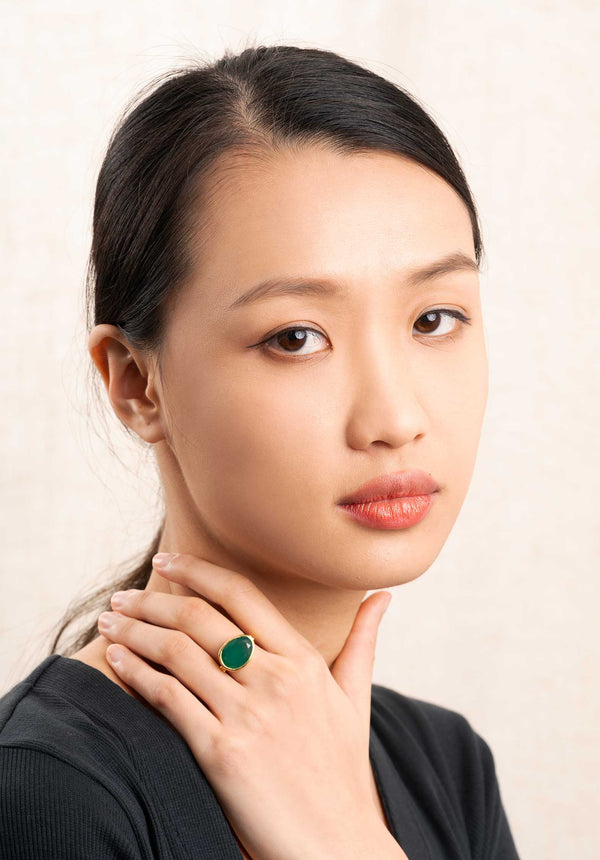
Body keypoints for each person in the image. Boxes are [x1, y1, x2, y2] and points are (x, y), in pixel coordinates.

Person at [0, 44, 521, 859]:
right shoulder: (43, 791)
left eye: (433, 320)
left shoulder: (447, 766)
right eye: (296, 337)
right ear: (137, 384)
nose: (395, 417)